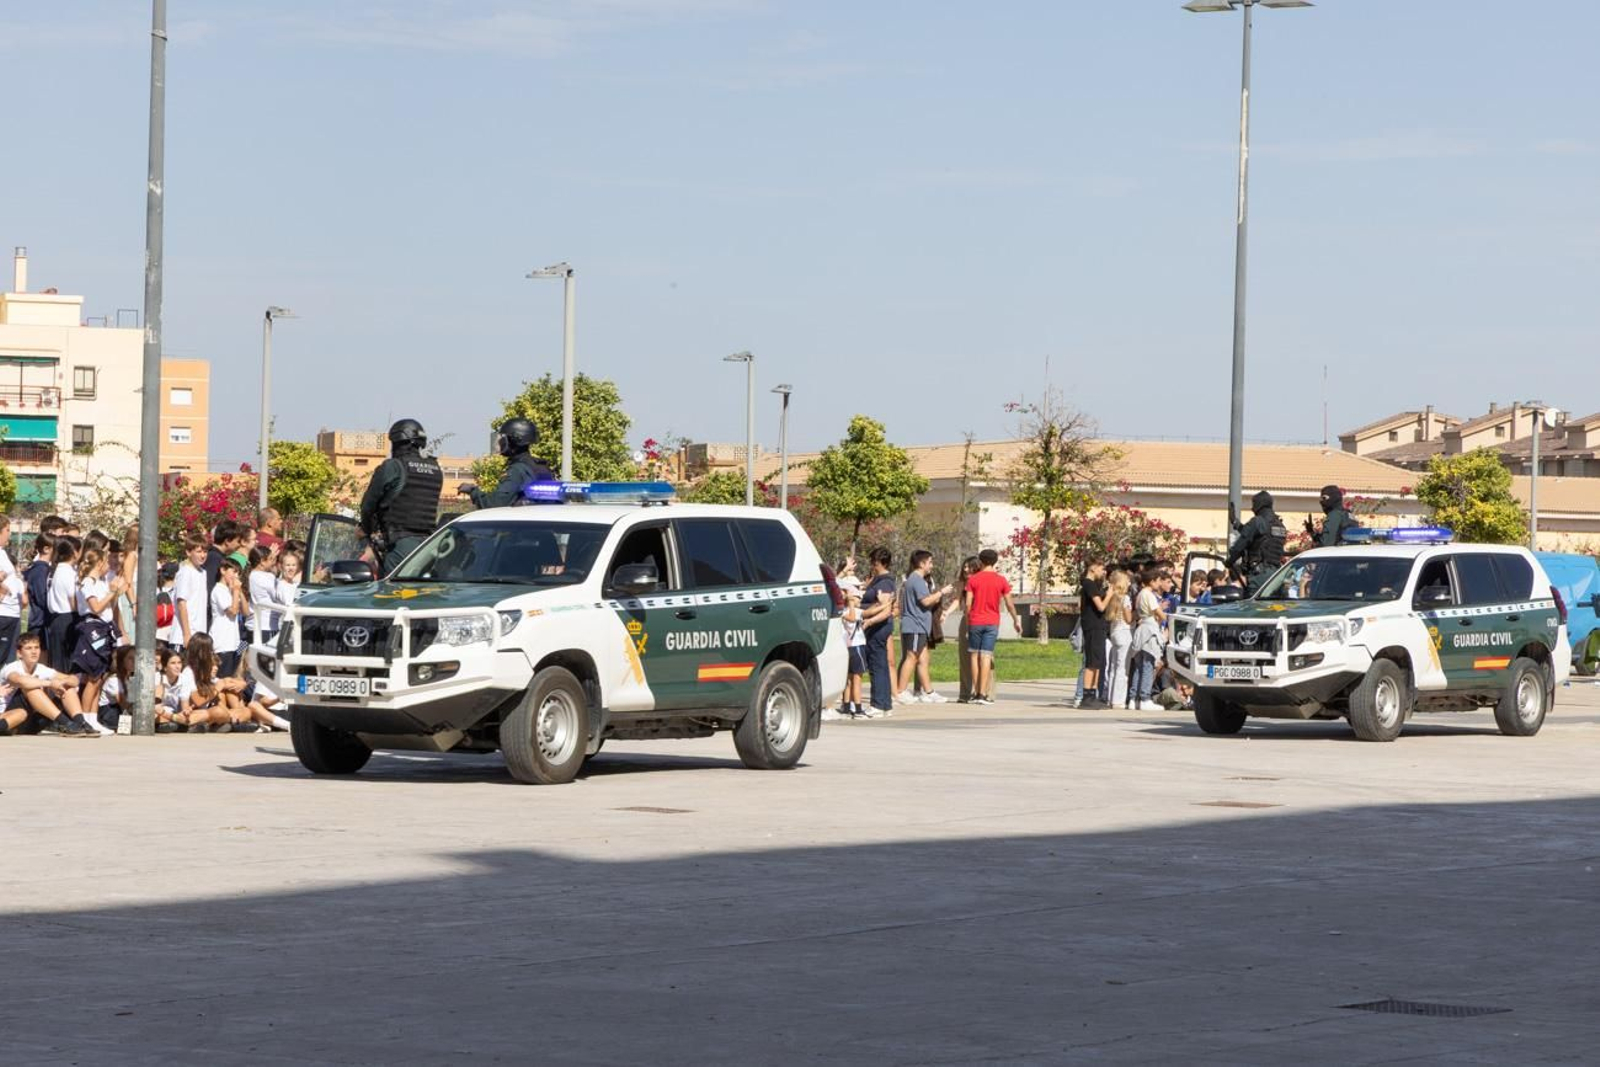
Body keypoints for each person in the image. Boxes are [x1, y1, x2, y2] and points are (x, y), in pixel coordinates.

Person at [361, 418, 444, 575]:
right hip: (429, 546)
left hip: (400, 545)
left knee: (393, 588)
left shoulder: (393, 466)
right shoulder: (435, 469)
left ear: (397, 442)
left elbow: (367, 506)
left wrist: (366, 530)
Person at [0, 632, 95, 736]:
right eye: (28, 648)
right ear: (19, 653)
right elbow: (21, 681)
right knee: (31, 688)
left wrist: (62, 682)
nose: (34, 652)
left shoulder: (41, 669)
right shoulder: (12, 668)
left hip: (31, 720)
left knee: (66, 686)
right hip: (9, 715)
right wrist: (50, 683)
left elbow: (74, 680)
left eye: (36, 647)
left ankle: (80, 722)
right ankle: (66, 723)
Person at [458, 417, 554, 512]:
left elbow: (495, 504)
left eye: (504, 438)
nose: (501, 441)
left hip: (521, 521)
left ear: (514, 440)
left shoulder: (518, 470)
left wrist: (472, 491)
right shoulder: (541, 467)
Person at [964, 549, 1020, 708]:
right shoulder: (1001, 580)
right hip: (992, 622)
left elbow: (968, 604)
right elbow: (1009, 603)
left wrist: (968, 622)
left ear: (980, 561)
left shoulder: (973, 579)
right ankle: (983, 693)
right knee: (986, 656)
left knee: (974, 656)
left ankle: (975, 693)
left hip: (975, 621)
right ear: (995, 562)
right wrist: (1016, 620)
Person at [895, 550, 953, 704]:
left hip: (920, 626)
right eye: (930, 562)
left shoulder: (915, 579)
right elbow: (926, 601)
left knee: (923, 659)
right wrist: (941, 592)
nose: (932, 565)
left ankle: (928, 692)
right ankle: (900, 691)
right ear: (922, 564)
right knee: (911, 657)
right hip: (915, 625)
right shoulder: (917, 580)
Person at [824, 575, 869, 721]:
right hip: (855, 646)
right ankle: (858, 709)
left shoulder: (845, 609)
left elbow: (870, 612)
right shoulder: (846, 610)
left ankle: (847, 706)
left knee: (849, 679)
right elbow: (852, 618)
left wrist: (885, 605)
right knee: (856, 678)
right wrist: (850, 603)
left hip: (848, 647)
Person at [1226, 490, 1288, 593]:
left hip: (1260, 577)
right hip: (1277, 576)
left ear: (1260, 505)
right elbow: (1256, 535)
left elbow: (1240, 545)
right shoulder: (1280, 525)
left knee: (1252, 602)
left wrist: (1229, 561)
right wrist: (1235, 522)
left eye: (1254, 504)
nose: (1252, 508)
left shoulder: (1257, 521)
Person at [860, 548, 897, 716]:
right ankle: (885, 704)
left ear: (881, 563)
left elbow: (886, 609)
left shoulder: (885, 582)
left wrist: (869, 621)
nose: (872, 566)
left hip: (878, 627)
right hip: (875, 627)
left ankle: (878, 704)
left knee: (877, 665)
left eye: (874, 563)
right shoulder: (877, 580)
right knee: (880, 663)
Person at [1128, 568, 1170, 712]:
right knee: (1148, 665)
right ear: (1152, 581)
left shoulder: (1140, 594)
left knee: (1138, 667)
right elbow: (1159, 613)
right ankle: (1145, 698)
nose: (1159, 584)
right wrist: (1167, 619)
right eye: (1158, 581)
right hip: (1149, 630)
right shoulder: (1149, 595)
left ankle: (1133, 698)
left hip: (1141, 630)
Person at [1077, 561, 1110, 710]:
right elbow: (1100, 606)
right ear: (1093, 568)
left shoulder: (1094, 585)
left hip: (1099, 626)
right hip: (1093, 626)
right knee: (1091, 662)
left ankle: (1093, 694)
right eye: (1102, 569)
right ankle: (1086, 696)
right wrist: (1109, 594)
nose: (1104, 572)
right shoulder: (1088, 584)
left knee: (1098, 661)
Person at [46, 535, 81, 671]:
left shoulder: (56, 570)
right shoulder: (68, 573)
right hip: (67, 619)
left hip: (56, 620)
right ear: (74, 552)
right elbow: (73, 601)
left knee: (58, 661)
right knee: (65, 664)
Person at [1104, 569, 1135, 709]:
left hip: (1114, 632)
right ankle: (1118, 700)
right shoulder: (1125, 598)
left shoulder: (1111, 597)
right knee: (1122, 668)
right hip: (1124, 633)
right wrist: (1136, 614)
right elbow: (1128, 619)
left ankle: (1110, 697)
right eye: (1127, 581)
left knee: (1113, 667)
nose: (1129, 583)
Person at [174, 534, 210, 649]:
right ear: (188, 552)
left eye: (205, 552)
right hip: (183, 636)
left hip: (198, 635)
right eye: (199, 552)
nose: (203, 555)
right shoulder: (185, 572)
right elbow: (181, 603)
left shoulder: (203, 573)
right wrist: (186, 634)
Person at [954, 557, 981, 703]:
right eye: (964, 567)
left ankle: (984, 692)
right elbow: (957, 601)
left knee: (984, 658)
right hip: (966, 620)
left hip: (981, 621)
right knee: (965, 659)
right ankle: (965, 693)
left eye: (968, 567)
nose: (965, 569)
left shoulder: (982, 582)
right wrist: (946, 613)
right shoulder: (962, 584)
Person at [0, 515, 25, 668]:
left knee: (9, 660)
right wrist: (3, 590)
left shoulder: (3, 552)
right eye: (7, 530)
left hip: (13, 612)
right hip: (3, 612)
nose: (10, 534)